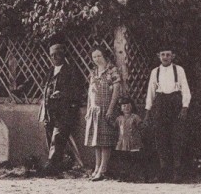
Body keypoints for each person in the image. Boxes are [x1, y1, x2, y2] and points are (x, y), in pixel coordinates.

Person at [144, 48, 191, 182]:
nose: (165, 57)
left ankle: (177, 172)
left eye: (168, 55)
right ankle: (163, 171)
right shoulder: (155, 72)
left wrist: (184, 107)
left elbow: (186, 89)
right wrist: (147, 111)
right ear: (158, 56)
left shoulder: (179, 70)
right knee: (161, 138)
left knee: (176, 138)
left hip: (175, 104)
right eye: (163, 54)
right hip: (160, 104)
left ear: (173, 56)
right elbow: (151, 92)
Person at [40, 42, 86, 175]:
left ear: (63, 55)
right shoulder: (50, 71)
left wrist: (63, 94)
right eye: (52, 55)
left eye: (57, 55)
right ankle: (56, 167)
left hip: (65, 111)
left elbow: (78, 91)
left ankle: (51, 167)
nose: (54, 58)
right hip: (50, 111)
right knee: (50, 137)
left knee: (58, 138)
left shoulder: (71, 71)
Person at [84, 48, 122, 181]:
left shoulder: (112, 70)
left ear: (104, 56)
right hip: (95, 110)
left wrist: (111, 109)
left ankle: (103, 169)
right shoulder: (93, 72)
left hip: (106, 109)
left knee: (105, 141)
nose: (96, 59)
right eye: (94, 57)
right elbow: (90, 92)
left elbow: (116, 91)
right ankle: (96, 167)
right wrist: (89, 109)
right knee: (96, 141)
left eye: (99, 56)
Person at [115, 96, 147, 181]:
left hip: (134, 142)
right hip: (123, 142)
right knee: (124, 159)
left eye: (128, 105)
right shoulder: (119, 118)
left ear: (132, 106)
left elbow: (141, 126)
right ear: (121, 108)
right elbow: (115, 127)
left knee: (135, 159)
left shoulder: (135, 117)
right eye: (124, 106)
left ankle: (136, 176)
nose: (126, 107)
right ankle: (124, 175)